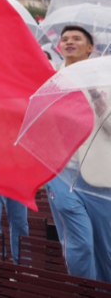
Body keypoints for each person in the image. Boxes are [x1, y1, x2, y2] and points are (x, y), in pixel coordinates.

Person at [46, 25, 111, 281]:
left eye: (76, 38)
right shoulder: (49, 81)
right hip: (61, 175)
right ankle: (82, 291)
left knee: (105, 247)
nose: (69, 42)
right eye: (64, 39)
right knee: (79, 243)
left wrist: (97, 97)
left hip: (100, 175)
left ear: (90, 47)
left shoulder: (105, 79)